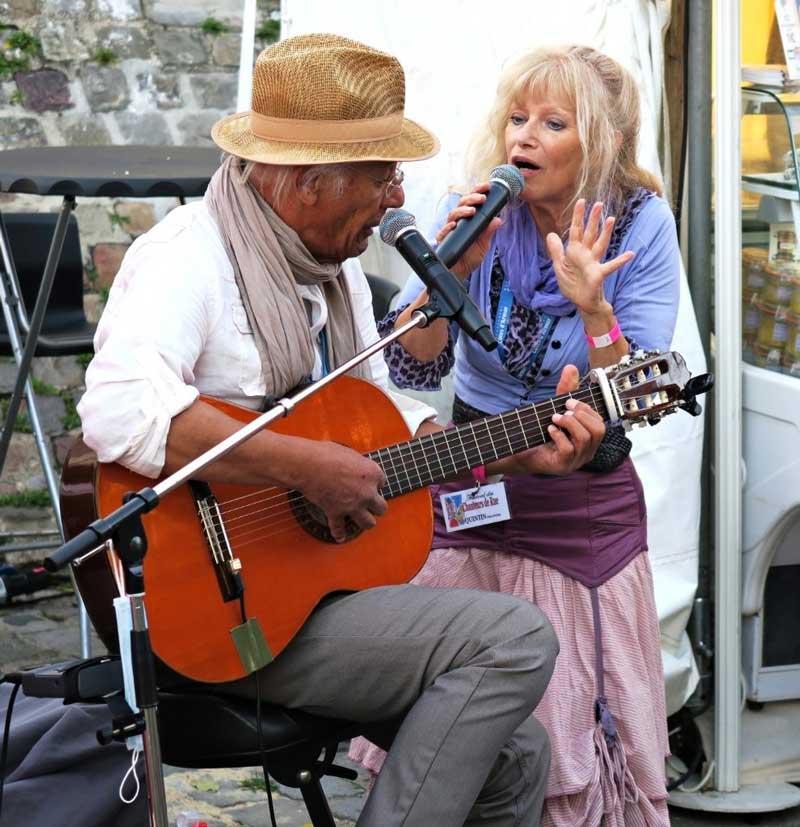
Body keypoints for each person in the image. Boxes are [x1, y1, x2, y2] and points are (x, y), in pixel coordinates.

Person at [75, 34, 607, 827]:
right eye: (379, 174)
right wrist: (303, 468)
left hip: (318, 595)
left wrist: (516, 451)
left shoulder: (336, 270)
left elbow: (377, 417)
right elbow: (116, 409)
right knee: (515, 638)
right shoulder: (188, 258)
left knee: (518, 759)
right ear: (303, 180)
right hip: (224, 614)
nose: (396, 197)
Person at [349, 44, 680, 827]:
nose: (524, 136)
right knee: (446, 723)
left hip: (577, 506)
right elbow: (413, 365)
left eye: (553, 121)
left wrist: (596, 311)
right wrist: (455, 267)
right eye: (518, 117)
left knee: (566, 736)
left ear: (596, 140)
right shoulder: (479, 212)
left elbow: (638, 392)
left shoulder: (643, 224)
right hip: (470, 482)